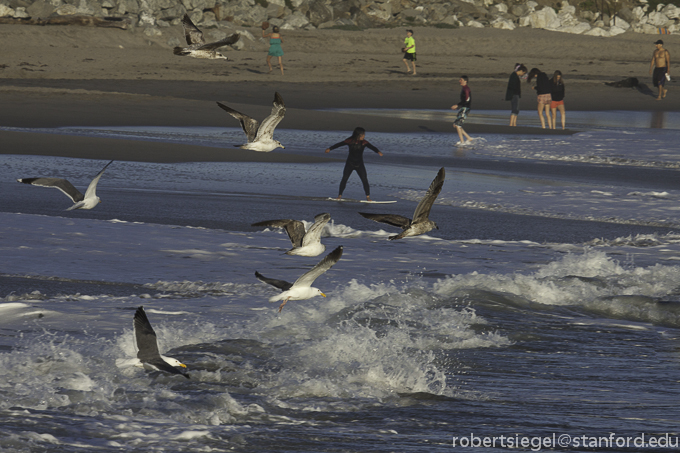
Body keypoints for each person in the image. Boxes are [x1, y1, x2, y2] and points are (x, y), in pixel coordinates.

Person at [325, 127, 383, 201]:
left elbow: (372, 147)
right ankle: (339, 196)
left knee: (364, 180)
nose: (364, 136)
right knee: (344, 179)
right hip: (350, 163)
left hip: (359, 164)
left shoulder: (364, 142)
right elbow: (339, 144)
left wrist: (378, 151)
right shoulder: (349, 141)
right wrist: (330, 148)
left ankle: (368, 197)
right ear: (359, 135)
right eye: (363, 134)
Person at [451, 75, 472, 145]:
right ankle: (468, 138)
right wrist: (458, 106)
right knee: (456, 125)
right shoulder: (464, 88)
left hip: (465, 108)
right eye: (460, 80)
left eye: (461, 80)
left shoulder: (466, 89)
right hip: (463, 107)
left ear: (465, 81)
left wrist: (457, 105)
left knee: (458, 125)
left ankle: (462, 142)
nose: (460, 81)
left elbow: (467, 100)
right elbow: (463, 100)